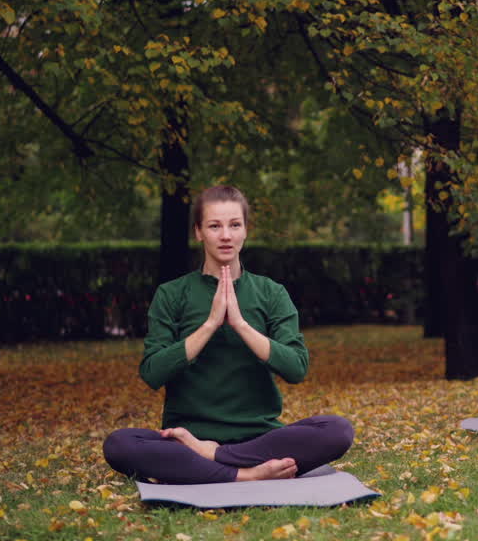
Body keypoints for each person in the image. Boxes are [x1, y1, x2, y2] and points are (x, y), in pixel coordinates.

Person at [103, 185, 353, 483]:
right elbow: (152, 373)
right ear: (198, 232)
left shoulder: (271, 293)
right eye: (214, 226)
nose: (226, 235)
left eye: (235, 225)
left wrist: (241, 325)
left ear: (246, 230)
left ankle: (217, 462)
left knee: (338, 430)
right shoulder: (171, 294)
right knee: (119, 444)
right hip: (187, 440)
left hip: (258, 439)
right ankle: (245, 475)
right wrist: (209, 325)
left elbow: (296, 368)